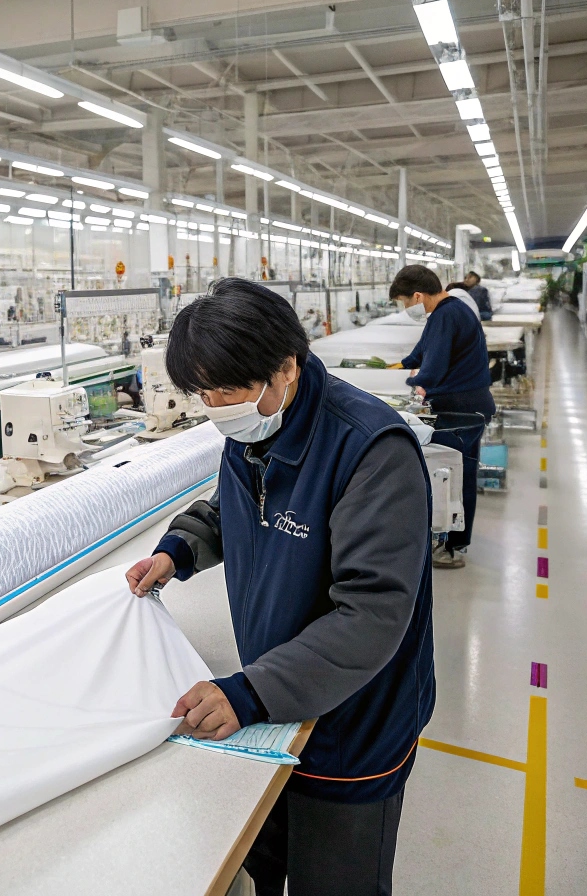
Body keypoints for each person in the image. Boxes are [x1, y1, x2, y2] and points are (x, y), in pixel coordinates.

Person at [125, 278, 434, 896]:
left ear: (286, 368)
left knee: (335, 883)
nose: (217, 406)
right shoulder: (255, 429)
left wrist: (250, 692)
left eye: (230, 390)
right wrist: (181, 548)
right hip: (278, 708)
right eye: (204, 393)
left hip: (353, 725)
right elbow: (236, 507)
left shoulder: (372, 451)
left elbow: (370, 616)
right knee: (261, 868)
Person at [390, 265, 495, 568]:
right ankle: (451, 540)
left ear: (418, 295)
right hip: (467, 407)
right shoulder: (448, 312)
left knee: (454, 477)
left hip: (461, 411)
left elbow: (432, 372)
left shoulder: (447, 315)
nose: (407, 308)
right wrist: (397, 366)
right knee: (458, 474)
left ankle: (452, 546)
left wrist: (402, 385)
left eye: (405, 302)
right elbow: (422, 353)